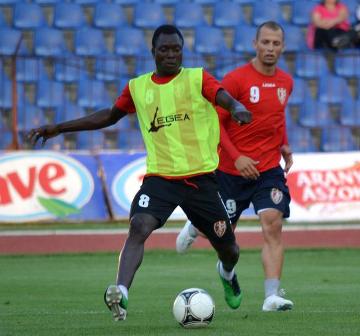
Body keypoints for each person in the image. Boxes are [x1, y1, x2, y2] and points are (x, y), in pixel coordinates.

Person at [27, 24, 252, 321]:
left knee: (230, 248)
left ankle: (226, 272)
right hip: (160, 178)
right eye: (164, 49)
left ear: (182, 51)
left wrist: (235, 107)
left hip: (201, 179)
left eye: (176, 49)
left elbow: (222, 95)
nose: (171, 54)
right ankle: (121, 293)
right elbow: (108, 116)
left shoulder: (197, 78)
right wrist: (59, 128)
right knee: (139, 226)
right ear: (153, 52)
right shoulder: (138, 87)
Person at [176, 21, 294, 312]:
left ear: (282, 47)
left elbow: (276, 117)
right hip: (230, 171)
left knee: (273, 223)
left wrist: (284, 143)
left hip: (267, 168)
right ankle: (197, 229)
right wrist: (236, 156)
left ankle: (271, 296)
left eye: (275, 43)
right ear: (255, 44)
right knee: (218, 233)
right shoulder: (236, 79)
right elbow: (215, 121)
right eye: (265, 42)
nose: (270, 48)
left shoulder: (286, 82)